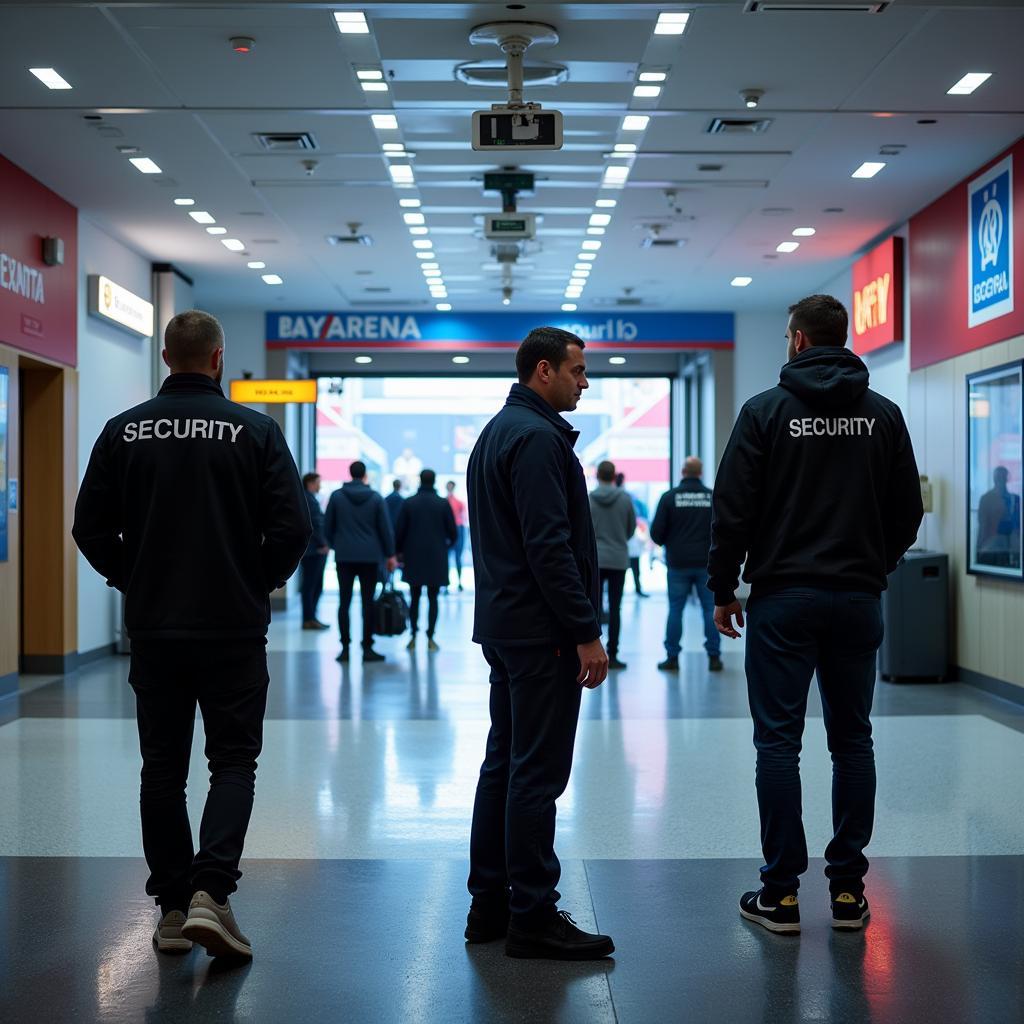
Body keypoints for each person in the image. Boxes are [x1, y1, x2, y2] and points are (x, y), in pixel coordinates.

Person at [73, 309, 310, 960]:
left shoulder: (124, 432)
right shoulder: (256, 430)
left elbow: (89, 529)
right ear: (218, 359)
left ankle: (174, 911)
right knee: (232, 760)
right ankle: (213, 891)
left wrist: (135, 578)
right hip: (232, 626)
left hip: (156, 628)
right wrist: (252, 579)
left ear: (167, 359)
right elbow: (293, 528)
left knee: (162, 769)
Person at [708, 294, 923, 935]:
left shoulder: (765, 414)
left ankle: (781, 895)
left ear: (798, 341)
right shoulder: (882, 416)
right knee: (852, 740)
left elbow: (733, 510)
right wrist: (870, 564)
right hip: (857, 600)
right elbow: (907, 511)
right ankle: (850, 893)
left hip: (783, 600)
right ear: (841, 338)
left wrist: (724, 587)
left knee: (778, 742)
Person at [466, 325, 614, 961]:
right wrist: (584, 631)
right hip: (541, 632)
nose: (586, 383)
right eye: (578, 371)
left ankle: (490, 904)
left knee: (505, 763)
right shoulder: (534, 439)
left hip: (508, 626)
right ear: (544, 371)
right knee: (537, 772)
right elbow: (549, 548)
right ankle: (533, 915)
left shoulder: (501, 430)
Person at [650, 457, 722, 673]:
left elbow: (656, 533)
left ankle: (672, 658)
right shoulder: (712, 497)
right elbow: (722, 528)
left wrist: (672, 543)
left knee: (675, 610)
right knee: (710, 609)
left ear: (682, 471)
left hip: (678, 564)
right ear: (700, 473)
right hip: (706, 564)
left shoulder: (669, 497)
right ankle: (714, 658)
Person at [324, 461, 397, 663]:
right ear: (365, 475)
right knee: (367, 602)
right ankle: (367, 648)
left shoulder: (337, 497)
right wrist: (390, 555)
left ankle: (345, 648)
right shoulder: (375, 498)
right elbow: (385, 529)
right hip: (370, 557)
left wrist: (335, 544)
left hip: (345, 556)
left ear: (350, 473)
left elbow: (327, 526)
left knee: (344, 602)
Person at [396, 469, 457, 651]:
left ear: (420, 480)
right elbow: (453, 533)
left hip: (413, 557)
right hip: (436, 557)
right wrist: (444, 547)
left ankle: (413, 636)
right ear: (435, 481)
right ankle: (431, 638)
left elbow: (399, 531)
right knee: (433, 598)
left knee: (414, 597)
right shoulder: (442, 504)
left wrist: (398, 552)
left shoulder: (409, 503)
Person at [589, 460, 636, 670]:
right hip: (618, 558)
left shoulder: (588, 499)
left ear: (598, 475)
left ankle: (595, 652)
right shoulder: (625, 499)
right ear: (613, 475)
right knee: (615, 607)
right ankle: (613, 654)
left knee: (595, 607)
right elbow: (631, 528)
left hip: (596, 559)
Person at [300, 472, 330, 630]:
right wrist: (323, 543)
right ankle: (309, 619)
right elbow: (315, 525)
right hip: (314, 550)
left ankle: (311, 617)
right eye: (318, 482)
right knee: (312, 585)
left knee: (312, 585)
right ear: (310, 483)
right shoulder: (309, 500)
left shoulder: (307, 498)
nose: (320, 485)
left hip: (310, 550)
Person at [977, 466, 1021, 566]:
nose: (1001, 480)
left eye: (1003, 477)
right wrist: (979, 549)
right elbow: (982, 526)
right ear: (995, 479)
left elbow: (1017, 527)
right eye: (998, 478)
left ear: (1006, 479)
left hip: (1010, 545)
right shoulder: (986, 499)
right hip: (992, 545)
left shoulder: (1014, 499)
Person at [616, 472, 649, 596]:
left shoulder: (595, 498)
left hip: (618, 540)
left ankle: (620, 591)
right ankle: (638, 588)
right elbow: (633, 517)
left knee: (619, 571)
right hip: (627, 539)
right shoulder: (626, 497)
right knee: (635, 565)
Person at [445, 480, 468, 591]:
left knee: (457, 557)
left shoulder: (458, 502)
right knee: (448, 557)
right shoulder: (444, 502)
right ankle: (447, 583)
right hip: (450, 530)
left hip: (458, 529)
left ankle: (459, 582)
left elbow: (463, 518)